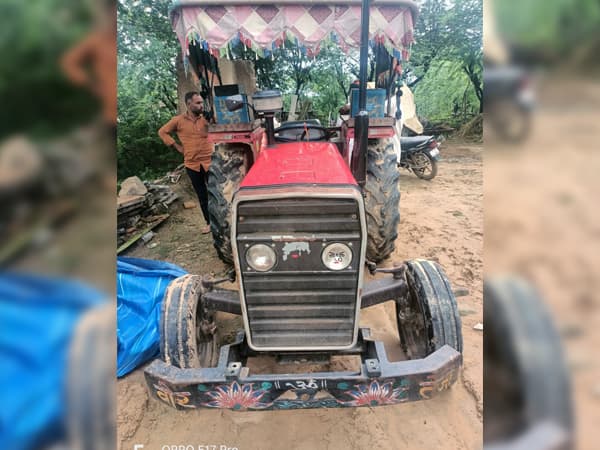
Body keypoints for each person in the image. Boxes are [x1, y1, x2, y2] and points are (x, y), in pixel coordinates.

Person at [159, 92, 214, 234]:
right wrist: (177, 147)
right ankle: (209, 223)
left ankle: (223, 221)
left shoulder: (207, 118)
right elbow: (162, 132)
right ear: (188, 104)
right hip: (192, 164)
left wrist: (213, 120)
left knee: (217, 193)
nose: (201, 105)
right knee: (202, 195)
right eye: (198, 103)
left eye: (202, 102)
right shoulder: (178, 120)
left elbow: (221, 129)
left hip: (211, 161)